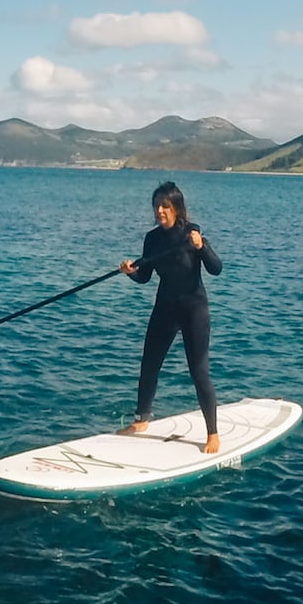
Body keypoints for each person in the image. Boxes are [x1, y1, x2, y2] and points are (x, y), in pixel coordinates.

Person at [118, 180, 223, 453]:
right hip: (164, 307)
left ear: (176, 208)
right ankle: (141, 420)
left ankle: (212, 433)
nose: (159, 211)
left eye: (165, 206)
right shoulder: (152, 239)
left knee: (198, 371)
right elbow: (145, 276)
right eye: (156, 207)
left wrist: (202, 247)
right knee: (149, 364)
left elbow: (216, 269)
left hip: (193, 310)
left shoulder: (192, 233)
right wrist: (131, 273)